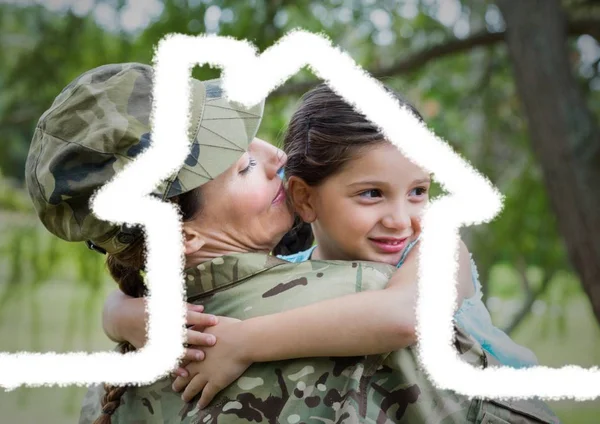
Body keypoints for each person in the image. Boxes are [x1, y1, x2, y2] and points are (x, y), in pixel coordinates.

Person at [26, 62, 559, 423]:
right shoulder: (362, 300)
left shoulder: (117, 376)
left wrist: (125, 316)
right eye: (245, 166)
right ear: (181, 233)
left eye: (419, 191)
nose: (279, 158)